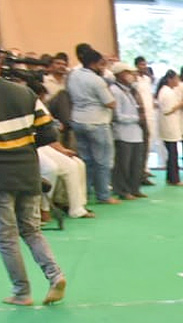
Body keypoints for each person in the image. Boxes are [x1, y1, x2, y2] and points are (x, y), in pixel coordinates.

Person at [0, 37, 67, 306]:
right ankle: (55, 276)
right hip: (28, 172)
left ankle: (22, 292)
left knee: (6, 237)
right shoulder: (25, 93)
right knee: (31, 231)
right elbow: (48, 131)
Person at [67, 47, 117, 205]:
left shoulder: (73, 75)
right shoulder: (96, 80)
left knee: (86, 161)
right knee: (103, 161)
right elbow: (110, 103)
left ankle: (85, 194)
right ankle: (103, 195)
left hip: (78, 120)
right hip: (97, 122)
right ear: (95, 63)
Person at [108, 62, 145, 200]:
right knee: (123, 165)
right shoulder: (115, 90)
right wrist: (136, 118)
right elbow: (117, 116)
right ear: (119, 74)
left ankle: (134, 188)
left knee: (136, 163)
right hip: (123, 133)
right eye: (128, 73)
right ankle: (122, 190)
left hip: (135, 132)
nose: (132, 76)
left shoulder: (129, 90)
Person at [156, 70, 183, 186]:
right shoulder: (167, 92)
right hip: (169, 125)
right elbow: (167, 110)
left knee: (172, 153)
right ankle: (174, 179)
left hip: (170, 125)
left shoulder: (167, 91)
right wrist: (180, 105)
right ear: (170, 79)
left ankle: (170, 177)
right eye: (176, 78)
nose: (178, 81)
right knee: (173, 154)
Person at [133, 57, 157, 182]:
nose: (144, 66)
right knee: (141, 144)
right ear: (136, 65)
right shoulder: (134, 78)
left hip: (150, 113)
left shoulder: (147, 78)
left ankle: (145, 169)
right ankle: (139, 172)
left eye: (145, 64)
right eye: (141, 64)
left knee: (149, 141)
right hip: (140, 115)